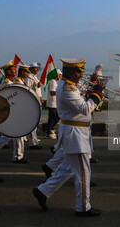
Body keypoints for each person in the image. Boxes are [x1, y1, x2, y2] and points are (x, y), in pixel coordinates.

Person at [32, 58, 103, 216]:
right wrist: (98, 94)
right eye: (79, 71)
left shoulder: (69, 85)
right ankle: (83, 207)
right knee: (83, 173)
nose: (81, 74)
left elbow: (82, 93)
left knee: (67, 169)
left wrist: (91, 85)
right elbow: (85, 108)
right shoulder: (67, 89)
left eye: (82, 71)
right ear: (70, 72)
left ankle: (43, 191)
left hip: (76, 132)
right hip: (75, 134)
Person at [25, 62, 42, 149]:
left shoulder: (34, 77)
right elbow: (28, 90)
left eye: (37, 68)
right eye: (35, 68)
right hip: (33, 101)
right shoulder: (29, 77)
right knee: (32, 122)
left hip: (37, 100)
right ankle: (32, 142)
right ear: (31, 69)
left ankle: (34, 140)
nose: (37, 69)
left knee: (35, 122)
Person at [46, 69, 62, 139]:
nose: (60, 77)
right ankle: (49, 131)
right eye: (60, 75)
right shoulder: (53, 82)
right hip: (52, 103)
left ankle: (50, 129)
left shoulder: (54, 82)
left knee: (56, 117)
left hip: (55, 103)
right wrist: (61, 92)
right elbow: (52, 92)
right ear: (57, 75)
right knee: (53, 118)